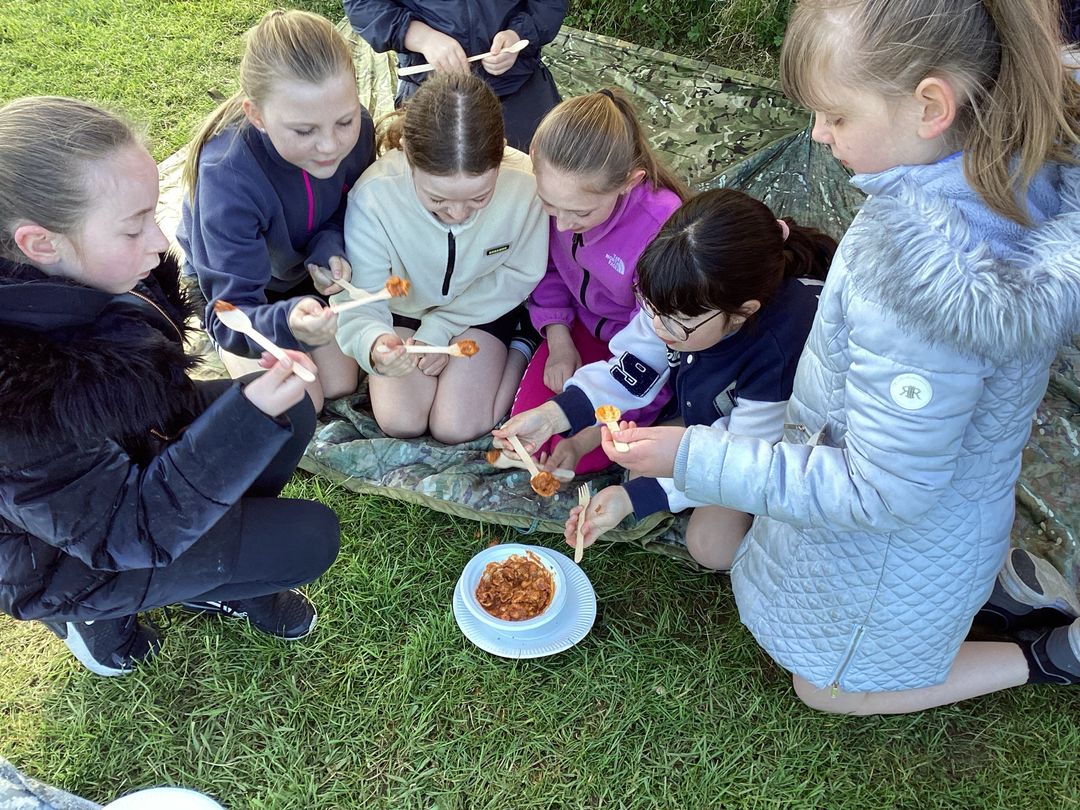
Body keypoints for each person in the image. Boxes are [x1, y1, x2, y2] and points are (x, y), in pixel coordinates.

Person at [607, 0, 1080, 714]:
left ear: (930, 106)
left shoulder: (928, 289)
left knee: (826, 687)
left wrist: (693, 456)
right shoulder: (1007, 155)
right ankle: (996, 587)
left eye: (835, 115)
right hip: (953, 503)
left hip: (902, 538)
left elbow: (881, 492)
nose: (817, 134)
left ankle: (1043, 657)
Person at [0, 97, 340, 677]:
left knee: (295, 417)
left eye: (154, 213)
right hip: (71, 554)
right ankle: (96, 619)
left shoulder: (95, 270)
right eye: (135, 226)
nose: (160, 241)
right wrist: (244, 418)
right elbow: (124, 533)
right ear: (40, 244)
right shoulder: (20, 401)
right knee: (309, 540)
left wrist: (277, 338)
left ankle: (217, 573)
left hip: (132, 450)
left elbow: (185, 345)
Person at [497, 189, 834, 569]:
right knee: (639, 463)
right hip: (716, 417)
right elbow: (633, 368)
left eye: (675, 323)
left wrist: (633, 499)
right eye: (650, 308)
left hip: (773, 445)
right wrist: (552, 417)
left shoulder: (779, 349)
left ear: (741, 314)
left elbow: (745, 452)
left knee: (712, 546)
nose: (658, 328)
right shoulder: (680, 300)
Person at [178, 9, 376, 410]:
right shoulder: (226, 175)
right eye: (304, 131)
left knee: (338, 384)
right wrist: (287, 323)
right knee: (303, 402)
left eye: (345, 120)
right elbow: (231, 314)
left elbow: (353, 205)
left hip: (300, 274)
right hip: (240, 295)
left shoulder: (360, 130)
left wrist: (328, 249)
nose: (330, 146)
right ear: (257, 116)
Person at [335, 72, 548, 444]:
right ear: (408, 158)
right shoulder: (374, 196)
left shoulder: (526, 184)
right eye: (437, 201)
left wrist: (443, 326)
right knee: (401, 421)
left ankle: (521, 344)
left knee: (457, 427)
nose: (458, 214)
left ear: (500, 155)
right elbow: (361, 301)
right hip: (404, 312)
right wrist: (374, 344)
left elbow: (519, 273)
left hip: (483, 307)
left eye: (479, 198)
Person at [507, 88, 687, 477]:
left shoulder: (660, 229)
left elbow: (652, 355)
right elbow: (548, 270)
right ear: (534, 160)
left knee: (582, 451)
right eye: (550, 205)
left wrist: (581, 435)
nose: (563, 224)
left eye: (581, 212)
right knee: (535, 441)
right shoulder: (558, 200)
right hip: (580, 328)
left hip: (641, 345)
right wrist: (558, 339)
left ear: (628, 182)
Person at [343, 0, 566, 150]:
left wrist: (519, 34)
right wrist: (420, 37)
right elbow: (362, 4)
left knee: (537, 179)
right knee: (437, 190)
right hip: (429, 86)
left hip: (518, 81)